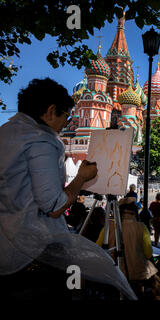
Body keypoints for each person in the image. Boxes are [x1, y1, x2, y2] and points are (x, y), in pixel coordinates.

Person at [0, 78, 98, 298]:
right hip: (33, 252)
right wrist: (81, 178)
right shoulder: (42, 140)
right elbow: (54, 205)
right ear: (51, 111)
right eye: (66, 115)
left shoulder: (6, 132)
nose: (68, 122)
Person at [96, 197, 160, 300]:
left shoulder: (108, 227)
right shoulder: (142, 227)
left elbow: (98, 248)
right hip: (137, 274)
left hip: (114, 274)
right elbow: (148, 253)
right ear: (135, 212)